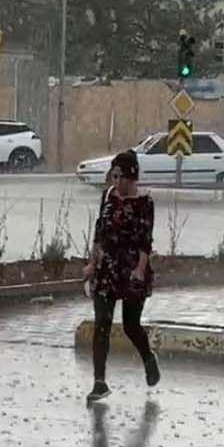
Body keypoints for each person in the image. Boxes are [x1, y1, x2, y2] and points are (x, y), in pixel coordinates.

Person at [82, 149, 160, 403]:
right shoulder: (107, 196)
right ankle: (99, 382)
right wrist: (93, 264)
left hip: (131, 269)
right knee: (101, 324)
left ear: (131, 177)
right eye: (112, 176)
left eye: (119, 176)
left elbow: (145, 241)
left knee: (130, 325)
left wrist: (139, 269)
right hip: (107, 269)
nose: (115, 182)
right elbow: (99, 233)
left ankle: (148, 358)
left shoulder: (145, 203)